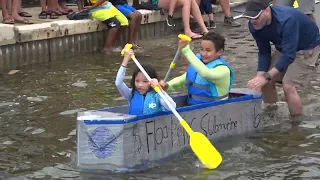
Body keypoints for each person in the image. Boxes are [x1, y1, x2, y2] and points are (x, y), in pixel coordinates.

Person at [244, 0, 320, 120]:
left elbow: (289, 56)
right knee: (265, 82)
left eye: (256, 17)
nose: (253, 21)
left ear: (267, 11)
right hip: (283, 46)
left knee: (288, 86)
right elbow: (264, 51)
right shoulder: (253, 25)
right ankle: (271, 114)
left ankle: (296, 124)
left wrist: (266, 76)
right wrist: (259, 77)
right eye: (249, 18)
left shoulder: (287, 20)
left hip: (307, 46)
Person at [160, 32, 234, 105]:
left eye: (208, 50)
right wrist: (167, 86)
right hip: (193, 107)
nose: (203, 54)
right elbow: (183, 79)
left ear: (220, 52)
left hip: (216, 109)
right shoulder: (198, 63)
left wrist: (186, 50)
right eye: (202, 49)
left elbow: (206, 74)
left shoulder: (223, 70)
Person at [115, 49, 176, 116]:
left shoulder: (157, 95)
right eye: (137, 81)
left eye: (145, 81)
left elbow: (172, 107)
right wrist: (125, 60)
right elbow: (118, 83)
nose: (140, 85)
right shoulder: (131, 94)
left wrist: (159, 89)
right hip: (136, 126)